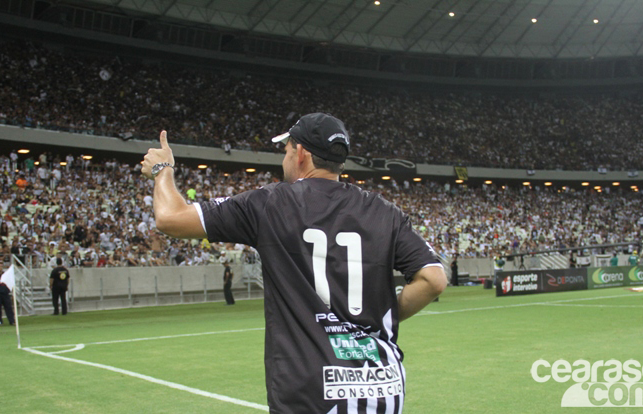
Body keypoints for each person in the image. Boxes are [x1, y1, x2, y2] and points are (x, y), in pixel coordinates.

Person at [141, 113, 447, 413]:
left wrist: (162, 170)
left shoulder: (270, 203)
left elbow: (170, 218)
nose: (285, 158)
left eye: (286, 150)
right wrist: (384, 316)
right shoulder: (385, 212)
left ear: (300, 153)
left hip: (309, 390)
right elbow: (433, 279)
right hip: (381, 387)